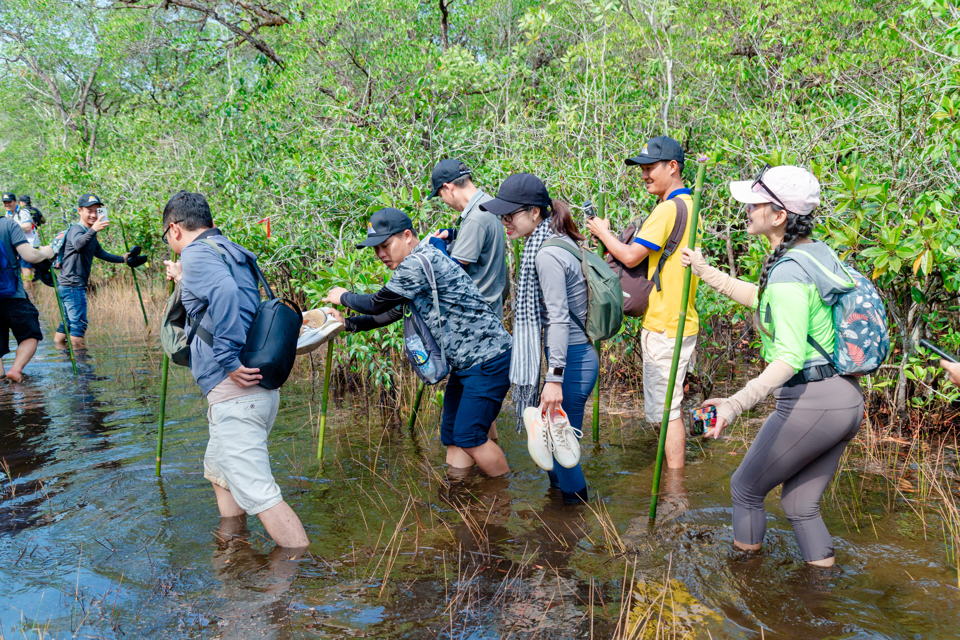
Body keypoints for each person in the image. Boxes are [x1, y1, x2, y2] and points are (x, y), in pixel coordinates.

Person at [680, 165, 864, 567]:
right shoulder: (814, 253)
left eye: (755, 203)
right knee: (800, 506)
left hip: (813, 401)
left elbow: (789, 357)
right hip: (844, 399)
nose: (746, 209)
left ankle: (745, 588)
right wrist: (705, 271)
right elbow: (763, 298)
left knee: (745, 488)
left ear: (779, 215)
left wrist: (731, 405)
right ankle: (821, 599)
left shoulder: (789, 272)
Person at [161, 191, 309, 549]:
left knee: (261, 495)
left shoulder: (196, 254)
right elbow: (232, 300)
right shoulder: (230, 250)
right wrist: (185, 280)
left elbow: (224, 293)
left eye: (166, 236)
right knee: (218, 471)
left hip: (236, 396)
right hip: (253, 394)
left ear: (175, 230)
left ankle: (298, 577)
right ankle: (234, 547)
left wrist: (227, 360)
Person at [322, 207, 514, 477]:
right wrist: (349, 324)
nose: (380, 255)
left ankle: (502, 498)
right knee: (452, 434)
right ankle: (459, 496)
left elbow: (376, 303)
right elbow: (389, 313)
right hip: (467, 365)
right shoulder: (418, 262)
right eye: (376, 249)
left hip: (488, 360)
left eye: (385, 245)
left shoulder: (418, 263)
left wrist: (343, 296)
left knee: (469, 435)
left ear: (408, 236)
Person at [585, 136, 699, 469]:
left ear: (672, 167)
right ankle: (676, 480)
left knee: (667, 412)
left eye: (650, 168)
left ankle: (675, 486)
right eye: (643, 169)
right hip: (680, 320)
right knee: (669, 407)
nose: (645, 175)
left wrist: (602, 232)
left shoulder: (667, 210)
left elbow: (632, 257)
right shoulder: (691, 206)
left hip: (664, 323)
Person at [481, 173, 596, 502]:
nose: (504, 222)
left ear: (534, 213)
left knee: (563, 454)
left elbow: (559, 319)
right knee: (553, 450)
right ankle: (560, 515)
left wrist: (554, 378)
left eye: (510, 215)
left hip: (571, 361)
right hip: (575, 355)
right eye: (501, 215)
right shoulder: (555, 239)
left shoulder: (545, 254)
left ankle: (573, 522)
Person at [428, 159, 508, 318]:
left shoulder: (474, 218)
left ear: (448, 188)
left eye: (440, 195)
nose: (443, 201)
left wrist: (436, 245)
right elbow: (482, 243)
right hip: (491, 309)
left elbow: (452, 272)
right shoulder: (486, 202)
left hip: (478, 317)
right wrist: (452, 234)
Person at [53, 194, 129, 349]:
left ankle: (62, 354)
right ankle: (81, 367)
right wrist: (93, 230)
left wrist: (123, 259)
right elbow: (78, 245)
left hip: (69, 284)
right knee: (78, 323)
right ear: (79, 210)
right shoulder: (77, 229)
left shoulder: (89, 233)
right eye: (89, 210)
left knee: (68, 321)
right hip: (72, 285)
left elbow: (100, 253)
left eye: (97, 210)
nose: (94, 214)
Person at [0, 214, 55, 382]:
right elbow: (30, 256)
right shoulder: (8, 224)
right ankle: (16, 370)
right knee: (30, 335)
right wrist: (46, 252)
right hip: (13, 297)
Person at [15, 195, 39, 286]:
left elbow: (27, 226)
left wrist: (13, 228)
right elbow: (42, 220)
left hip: (27, 244)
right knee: (32, 270)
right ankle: (34, 296)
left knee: (26, 270)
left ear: (21, 203)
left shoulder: (22, 212)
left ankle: (30, 295)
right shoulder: (35, 210)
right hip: (35, 243)